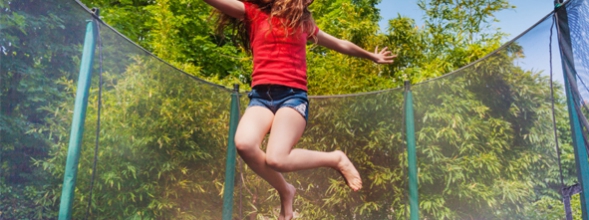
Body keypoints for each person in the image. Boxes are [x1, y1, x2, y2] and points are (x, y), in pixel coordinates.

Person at [203, 0, 396, 219]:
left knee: (277, 159)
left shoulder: (303, 24)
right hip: (261, 97)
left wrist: (372, 56)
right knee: (244, 144)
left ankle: (335, 159)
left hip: (292, 97)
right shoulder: (253, 12)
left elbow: (341, 44)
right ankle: (286, 190)